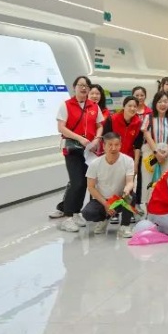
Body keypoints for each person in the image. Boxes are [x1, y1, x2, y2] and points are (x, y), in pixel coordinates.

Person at [53, 76, 105, 230]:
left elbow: (100, 125)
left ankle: (76, 212)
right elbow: (61, 128)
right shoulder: (66, 105)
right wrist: (79, 138)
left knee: (85, 182)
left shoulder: (93, 106)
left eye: (86, 86)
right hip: (73, 149)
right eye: (80, 85)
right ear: (74, 87)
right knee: (76, 182)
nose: (83, 88)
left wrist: (97, 138)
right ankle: (67, 216)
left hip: (89, 151)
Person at [78, 132, 136, 238]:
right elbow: (90, 187)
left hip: (119, 198)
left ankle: (125, 226)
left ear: (120, 145)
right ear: (104, 146)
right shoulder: (95, 164)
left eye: (116, 145)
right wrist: (105, 204)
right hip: (102, 199)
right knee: (88, 213)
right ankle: (104, 219)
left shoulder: (128, 161)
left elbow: (130, 182)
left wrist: (127, 189)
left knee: (131, 196)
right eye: (110, 145)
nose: (113, 148)